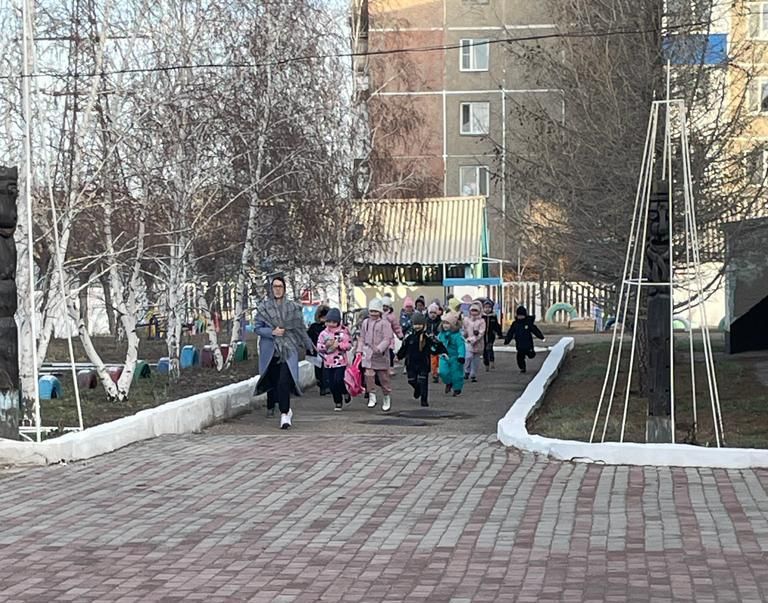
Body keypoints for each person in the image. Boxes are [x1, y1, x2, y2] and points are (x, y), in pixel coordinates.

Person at [255, 275, 315, 429]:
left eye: (280, 286)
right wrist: (272, 332)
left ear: (284, 289)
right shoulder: (263, 307)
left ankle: (284, 414)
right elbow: (257, 328)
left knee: (284, 381)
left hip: (288, 349)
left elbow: (300, 328)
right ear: (271, 289)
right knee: (274, 383)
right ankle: (280, 408)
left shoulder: (293, 307)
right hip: (271, 351)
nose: (277, 289)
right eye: (275, 286)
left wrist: (309, 345)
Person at [397, 312, 447, 407]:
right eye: (415, 324)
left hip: (423, 361)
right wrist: (399, 356)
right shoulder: (409, 335)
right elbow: (404, 347)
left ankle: (424, 400)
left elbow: (436, 343)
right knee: (411, 380)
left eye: (420, 324)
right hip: (411, 362)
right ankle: (417, 389)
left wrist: (443, 351)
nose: (417, 327)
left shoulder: (428, 334)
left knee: (423, 381)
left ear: (423, 324)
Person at [357, 298, 395, 411]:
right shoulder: (366, 323)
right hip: (368, 354)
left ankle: (386, 396)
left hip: (381, 355)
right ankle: (371, 394)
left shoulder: (385, 323)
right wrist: (359, 350)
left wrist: (379, 348)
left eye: (375, 311)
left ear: (380, 312)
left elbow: (387, 338)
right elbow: (362, 337)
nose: (373, 314)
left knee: (383, 378)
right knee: (368, 375)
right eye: (371, 311)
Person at [317, 308, 352, 411]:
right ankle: (337, 401)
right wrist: (326, 346)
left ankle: (344, 392)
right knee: (331, 383)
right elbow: (319, 346)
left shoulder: (344, 332)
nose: (331, 324)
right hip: (328, 362)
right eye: (329, 321)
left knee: (338, 380)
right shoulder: (324, 333)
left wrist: (339, 345)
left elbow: (349, 345)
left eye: (333, 322)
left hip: (340, 361)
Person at [504, 305, 546, 373]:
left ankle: (531, 353)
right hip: (519, 344)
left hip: (528, 343)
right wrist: (507, 340)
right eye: (519, 316)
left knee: (531, 354)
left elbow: (535, 330)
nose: (520, 317)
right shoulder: (515, 324)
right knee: (520, 357)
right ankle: (522, 368)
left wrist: (541, 337)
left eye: (522, 316)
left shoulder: (528, 323)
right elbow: (510, 332)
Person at [438, 311, 466, 397]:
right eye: (444, 323)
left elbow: (461, 346)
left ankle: (457, 388)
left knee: (456, 374)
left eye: (448, 323)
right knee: (443, 372)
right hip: (444, 356)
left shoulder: (457, 336)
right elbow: (437, 344)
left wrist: (461, 356)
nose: (445, 325)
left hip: (455, 357)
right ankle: (448, 382)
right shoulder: (441, 334)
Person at [307, 304, 330, 395]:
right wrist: (312, 347)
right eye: (322, 317)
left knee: (327, 369)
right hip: (317, 351)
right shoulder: (314, 327)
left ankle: (327, 386)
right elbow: (308, 338)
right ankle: (321, 386)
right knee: (318, 370)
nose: (323, 319)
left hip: (329, 352)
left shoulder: (330, 327)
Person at [462, 302, 486, 383]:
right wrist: (465, 336)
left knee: (476, 360)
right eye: (472, 310)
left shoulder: (481, 321)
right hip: (468, 342)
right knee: (468, 357)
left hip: (478, 343)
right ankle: (466, 371)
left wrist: (474, 339)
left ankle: (473, 374)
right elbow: (464, 329)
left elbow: (481, 333)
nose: (474, 312)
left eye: (476, 311)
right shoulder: (466, 320)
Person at [381, 295, 403, 375]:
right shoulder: (379, 314)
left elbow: (396, 327)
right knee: (381, 354)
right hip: (380, 338)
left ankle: (390, 368)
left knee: (390, 353)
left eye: (386, 306)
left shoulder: (391, 316)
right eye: (383, 306)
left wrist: (400, 335)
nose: (384, 308)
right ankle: (382, 368)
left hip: (389, 338)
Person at [482, 299, 503, 371]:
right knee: (484, 349)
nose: (487, 309)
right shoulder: (482, 317)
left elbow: (496, 326)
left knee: (489, 347)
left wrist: (499, 333)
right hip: (483, 336)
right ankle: (486, 364)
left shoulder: (493, 316)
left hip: (491, 335)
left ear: (491, 308)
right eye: (485, 307)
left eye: (489, 307)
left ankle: (491, 361)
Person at [426, 302, 442, 383]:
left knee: (439, 358)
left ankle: (439, 371)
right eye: (431, 313)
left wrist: (437, 336)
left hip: (438, 341)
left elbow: (441, 330)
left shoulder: (440, 322)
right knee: (433, 359)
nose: (432, 315)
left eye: (434, 313)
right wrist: (428, 334)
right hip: (430, 342)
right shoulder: (427, 321)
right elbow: (426, 330)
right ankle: (434, 373)